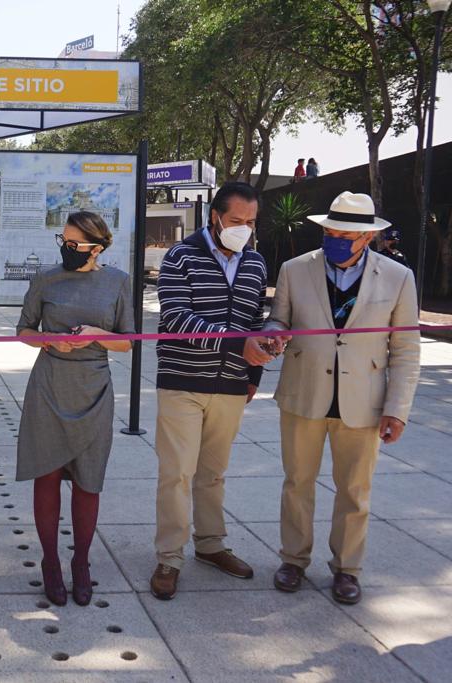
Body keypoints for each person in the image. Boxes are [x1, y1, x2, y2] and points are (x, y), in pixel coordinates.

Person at [265, 191, 420, 605]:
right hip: (304, 393)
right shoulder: (295, 270)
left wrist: (397, 410)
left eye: (343, 234)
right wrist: (273, 333)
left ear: (365, 238)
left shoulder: (397, 278)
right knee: (297, 483)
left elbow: (405, 349)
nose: (333, 238)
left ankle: (347, 569)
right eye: (329, 231)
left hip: (363, 401)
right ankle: (293, 560)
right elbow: (279, 317)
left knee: (354, 490)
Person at [151, 181, 272, 600]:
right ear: (215, 217)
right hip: (183, 383)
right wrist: (239, 344)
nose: (244, 229)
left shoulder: (255, 263)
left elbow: (256, 318)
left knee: (213, 474)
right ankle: (169, 556)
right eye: (236, 221)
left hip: (232, 385)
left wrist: (254, 373)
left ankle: (211, 545)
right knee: (177, 473)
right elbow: (177, 317)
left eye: (251, 222)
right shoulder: (180, 257)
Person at [16, 211, 134, 606]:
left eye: (74, 244)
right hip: (49, 384)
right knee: (46, 475)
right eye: (62, 242)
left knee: (88, 480)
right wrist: (48, 339)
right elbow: (24, 331)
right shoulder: (45, 279)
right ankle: (50, 562)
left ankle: (81, 562)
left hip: (94, 386)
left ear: (96, 248)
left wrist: (98, 336)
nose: (65, 249)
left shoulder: (117, 281)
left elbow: (128, 341)